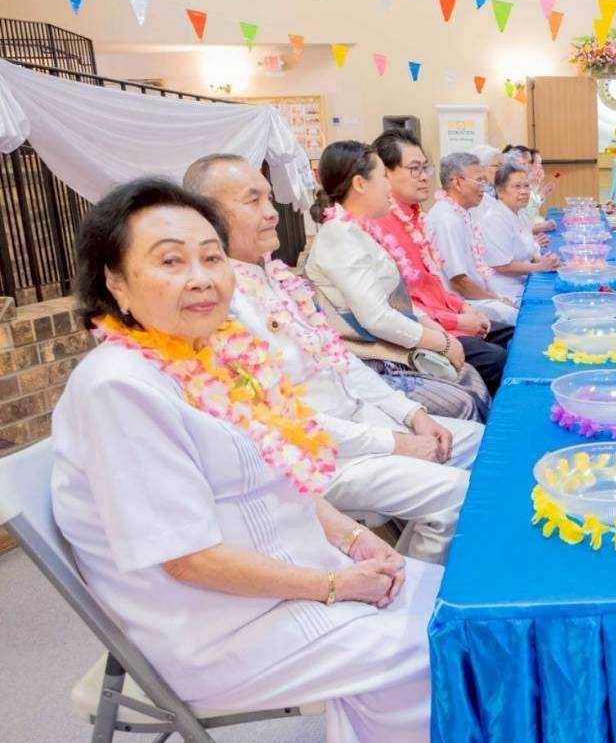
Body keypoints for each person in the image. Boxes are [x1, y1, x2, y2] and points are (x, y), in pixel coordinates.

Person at [54, 177, 445, 743]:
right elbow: (188, 559)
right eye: (170, 261)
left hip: (296, 570)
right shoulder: (119, 388)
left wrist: (354, 537)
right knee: (435, 649)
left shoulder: (212, 355)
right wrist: (335, 586)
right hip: (219, 624)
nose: (201, 278)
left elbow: (281, 472)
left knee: (456, 606)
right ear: (116, 282)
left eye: (212, 257)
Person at [184, 155, 483, 563]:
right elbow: (279, 419)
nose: (271, 213)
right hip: (319, 456)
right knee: (458, 495)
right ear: (206, 216)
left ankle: (414, 562)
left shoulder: (274, 276)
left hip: (361, 420)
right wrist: (396, 443)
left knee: (482, 443)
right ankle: (411, 589)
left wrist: (413, 415)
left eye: (269, 199)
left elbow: (339, 360)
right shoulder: (218, 303)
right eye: (253, 201)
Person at [303, 144, 498, 424]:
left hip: (392, 345)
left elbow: (397, 300)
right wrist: (442, 342)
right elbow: (377, 318)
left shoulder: (357, 231)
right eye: (383, 176)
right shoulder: (339, 237)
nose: (388, 186)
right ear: (360, 184)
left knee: (469, 376)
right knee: (463, 399)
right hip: (372, 358)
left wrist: (440, 334)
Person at [365, 129, 513, 397]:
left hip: (448, 314)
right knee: (497, 359)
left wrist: (466, 308)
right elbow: (404, 305)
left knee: (515, 335)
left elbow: (434, 283)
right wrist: (459, 319)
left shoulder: (415, 216)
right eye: (414, 169)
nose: (424, 176)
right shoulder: (378, 224)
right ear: (384, 173)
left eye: (425, 168)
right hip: (429, 329)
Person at [428, 152, 519, 326]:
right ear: (457, 183)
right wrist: (495, 298)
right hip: (459, 304)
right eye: (479, 181)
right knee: (518, 316)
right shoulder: (446, 220)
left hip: (474, 294)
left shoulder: (460, 213)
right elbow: (460, 282)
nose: (484, 187)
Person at [480, 160, 559, 303]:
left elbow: (530, 252)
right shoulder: (494, 218)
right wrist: (538, 267)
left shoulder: (520, 214)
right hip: (505, 290)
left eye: (526, 186)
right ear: (500, 191)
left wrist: (546, 261)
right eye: (517, 186)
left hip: (524, 279)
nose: (524, 191)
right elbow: (502, 265)